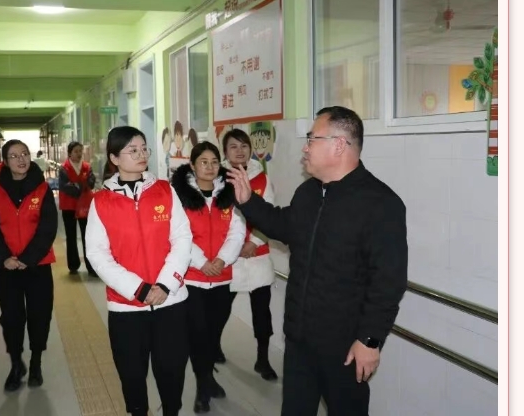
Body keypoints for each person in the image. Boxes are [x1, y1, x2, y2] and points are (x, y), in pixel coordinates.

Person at [226, 106, 408, 416]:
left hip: (346, 347)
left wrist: (369, 340)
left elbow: (388, 282)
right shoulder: (308, 193)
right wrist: (248, 202)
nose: (305, 147)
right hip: (299, 340)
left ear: (339, 145)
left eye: (312, 139)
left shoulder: (380, 204)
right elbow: (284, 225)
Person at [85, 126, 192, 416]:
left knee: (172, 370)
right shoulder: (101, 202)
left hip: (170, 302)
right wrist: (139, 289)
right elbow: (97, 255)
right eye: (132, 150)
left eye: (144, 148)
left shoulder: (165, 190)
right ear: (114, 158)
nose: (141, 154)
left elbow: (182, 238)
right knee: (131, 374)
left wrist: (165, 284)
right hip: (126, 307)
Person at [170, 141, 246, 413]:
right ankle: (203, 387)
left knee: (213, 334)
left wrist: (222, 260)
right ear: (192, 165)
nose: (210, 167)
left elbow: (237, 230)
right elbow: (179, 234)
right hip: (193, 279)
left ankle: (208, 379)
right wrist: (202, 262)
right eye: (203, 162)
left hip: (222, 278)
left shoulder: (229, 194)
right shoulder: (179, 196)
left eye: (214, 161)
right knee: (198, 334)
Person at [0, 139, 58, 392]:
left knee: (39, 315)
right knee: (11, 318)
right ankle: (16, 364)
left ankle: (36, 362)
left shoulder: (42, 189)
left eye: (24, 153)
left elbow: (48, 228)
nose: (21, 159)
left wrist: (28, 258)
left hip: (38, 265)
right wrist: (3, 257)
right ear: (5, 161)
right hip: (8, 268)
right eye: (14, 156)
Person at [219, 129, 278, 381]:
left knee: (262, 312)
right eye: (233, 146)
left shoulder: (262, 179)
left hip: (257, 256)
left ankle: (262, 359)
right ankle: (213, 347)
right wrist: (230, 248)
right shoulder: (217, 177)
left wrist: (254, 242)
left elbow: (270, 215)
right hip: (226, 257)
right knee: (220, 309)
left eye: (244, 146)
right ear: (225, 151)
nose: (240, 151)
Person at [59, 141, 97, 276]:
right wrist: (82, 186)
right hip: (69, 206)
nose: (79, 154)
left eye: (80, 151)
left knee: (88, 235)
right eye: (76, 151)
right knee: (71, 236)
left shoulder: (87, 166)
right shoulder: (64, 168)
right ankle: (73, 264)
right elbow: (65, 187)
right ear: (70, 153)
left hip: (85, 207)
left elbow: (91, 183)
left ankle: (91, 267)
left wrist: (78, 185)